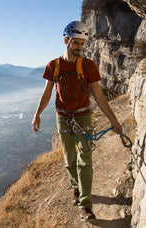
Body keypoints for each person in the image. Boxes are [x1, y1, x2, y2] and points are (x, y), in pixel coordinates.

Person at [31, 21, 123, 221]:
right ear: (66, 41)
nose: (80, 48)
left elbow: (99, 96)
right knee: (69, 160)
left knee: (85, 160)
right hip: (63, 118)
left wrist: (114, 121)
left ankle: (85, 204)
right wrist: (37, 114)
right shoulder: (53, 66)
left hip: (83, 117)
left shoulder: (88, 65)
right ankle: (76, 187)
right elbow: (47, 92)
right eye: (76, 44)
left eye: (82, 44)